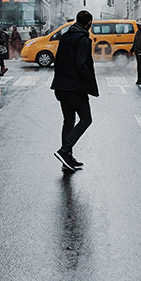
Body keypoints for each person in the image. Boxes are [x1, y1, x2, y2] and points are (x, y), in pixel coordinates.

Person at [51, 10, 98, 171]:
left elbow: (59, 60)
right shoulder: (83, 38)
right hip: (75, 87)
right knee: (86, 119)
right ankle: (64, 151)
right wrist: (86, 79)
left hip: (61, 86)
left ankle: (67, 159)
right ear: (89, 24)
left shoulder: (65, 36)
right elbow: (81, 63)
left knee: (68, 121)